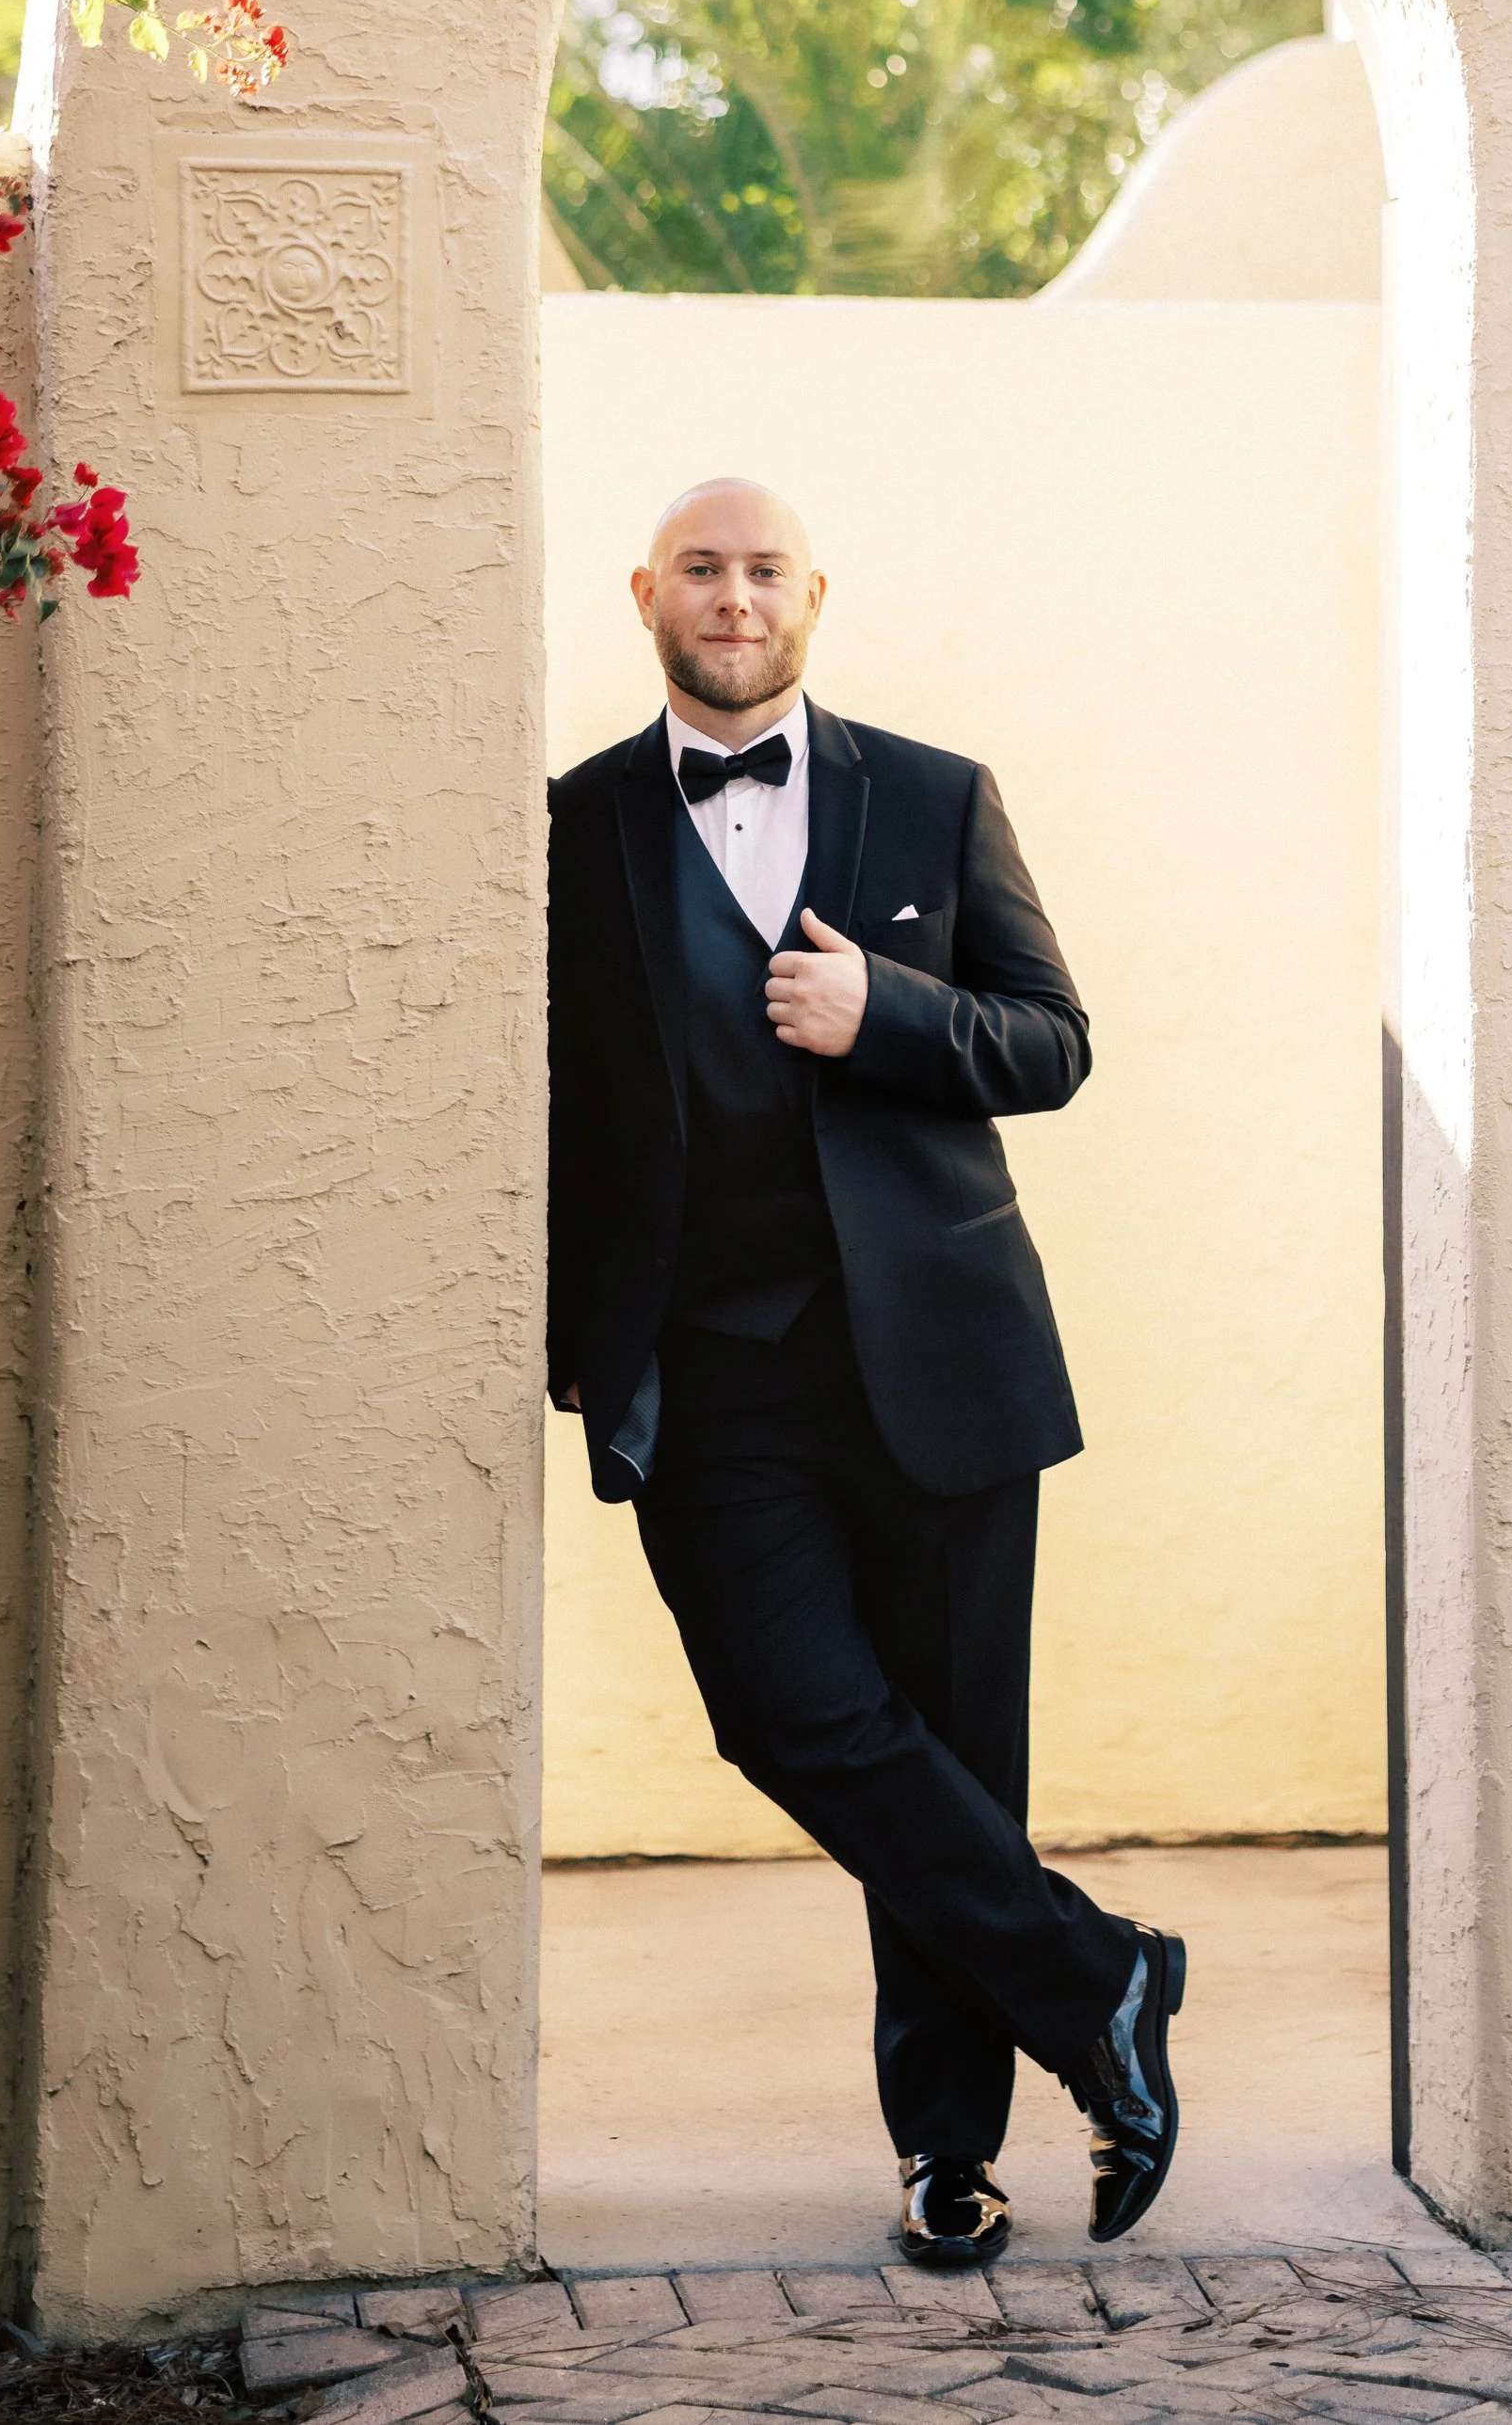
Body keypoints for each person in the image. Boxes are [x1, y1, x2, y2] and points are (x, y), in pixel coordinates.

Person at [548, 475, 1185, 2269]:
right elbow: (555, 1121)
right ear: (646, 596)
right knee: (794, 1716)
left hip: (944, 1362)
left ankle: (950, 2154)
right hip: (713, 1378)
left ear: (811, 598)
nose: (732, 596)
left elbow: (1054, 1042)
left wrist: (884, 1016)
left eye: (763, 571)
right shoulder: (570, 829)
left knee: (957, 1755)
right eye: (701, 568)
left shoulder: (934, 793)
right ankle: (1107, 1983)